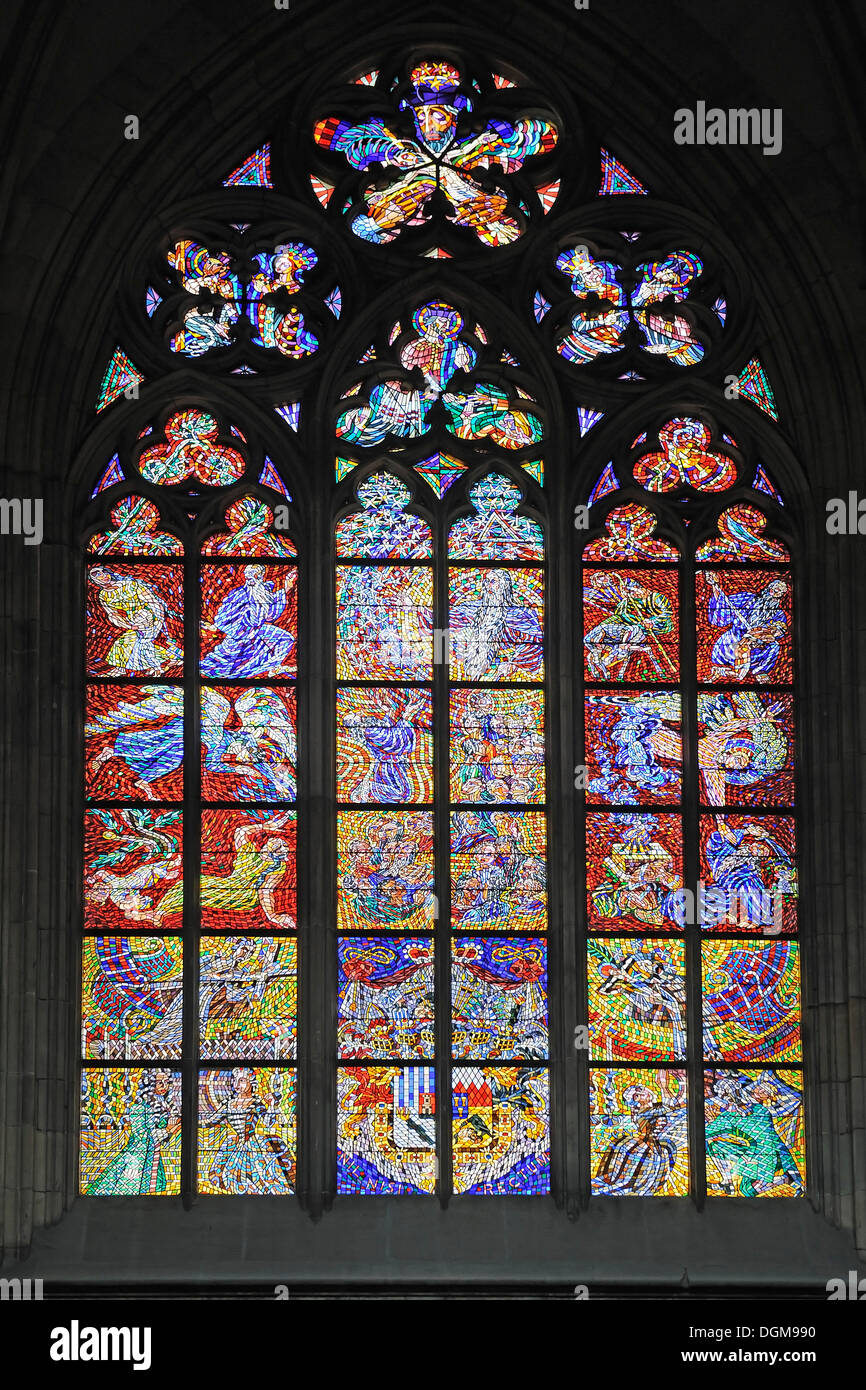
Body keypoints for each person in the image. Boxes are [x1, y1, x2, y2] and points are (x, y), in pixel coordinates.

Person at [85, 1069, 180, 1195]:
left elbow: (162, 1136)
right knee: (129, 1187)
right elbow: (141, 1135)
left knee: (155, 1189)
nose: (164, 1086)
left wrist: (171, 1130)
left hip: (154, 1156)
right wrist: (168, 1129)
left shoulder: (165, 1106)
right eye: (159, 1082)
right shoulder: (139, 1107)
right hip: (137, 1157)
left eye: (166, 1082)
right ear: (150, 1084)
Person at [200, 1069, 293, 1194]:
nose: (237, 1084)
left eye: (242, 1080)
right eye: (234, 1080)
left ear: (251, 1083)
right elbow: (210, 1122)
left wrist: (271, 1105)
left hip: (254, 1145)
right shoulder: (229, 1104)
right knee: (227, 1176)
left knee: (262, 1178)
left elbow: (268, 1122)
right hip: (234, 1144)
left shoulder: (255, 1103)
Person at [201, 565, 295, 678]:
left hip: (257, 630)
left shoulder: (263, 592)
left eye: (255, 576)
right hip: (240, 634)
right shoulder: (240, 594)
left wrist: (286, 588)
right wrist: (220, 626)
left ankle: (272, 667)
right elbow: (223, 616)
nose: (251, 579)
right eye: (249, 576)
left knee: (286, 639)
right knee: (228, 664)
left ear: (260, 576)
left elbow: (270, 614)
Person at [89, 567, 181, 674]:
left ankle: (155, 668)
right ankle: (173, 657)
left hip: (148, 615)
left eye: (103, 571)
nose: (103, 575)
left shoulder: (130, 585)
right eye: (96, 574)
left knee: (141, 643)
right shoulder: (103, 595)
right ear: (94, 581)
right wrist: (128, 625)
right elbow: (113, 614)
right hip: (133, 621)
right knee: (124, 643)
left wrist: (158, 620)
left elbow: (152, 601)